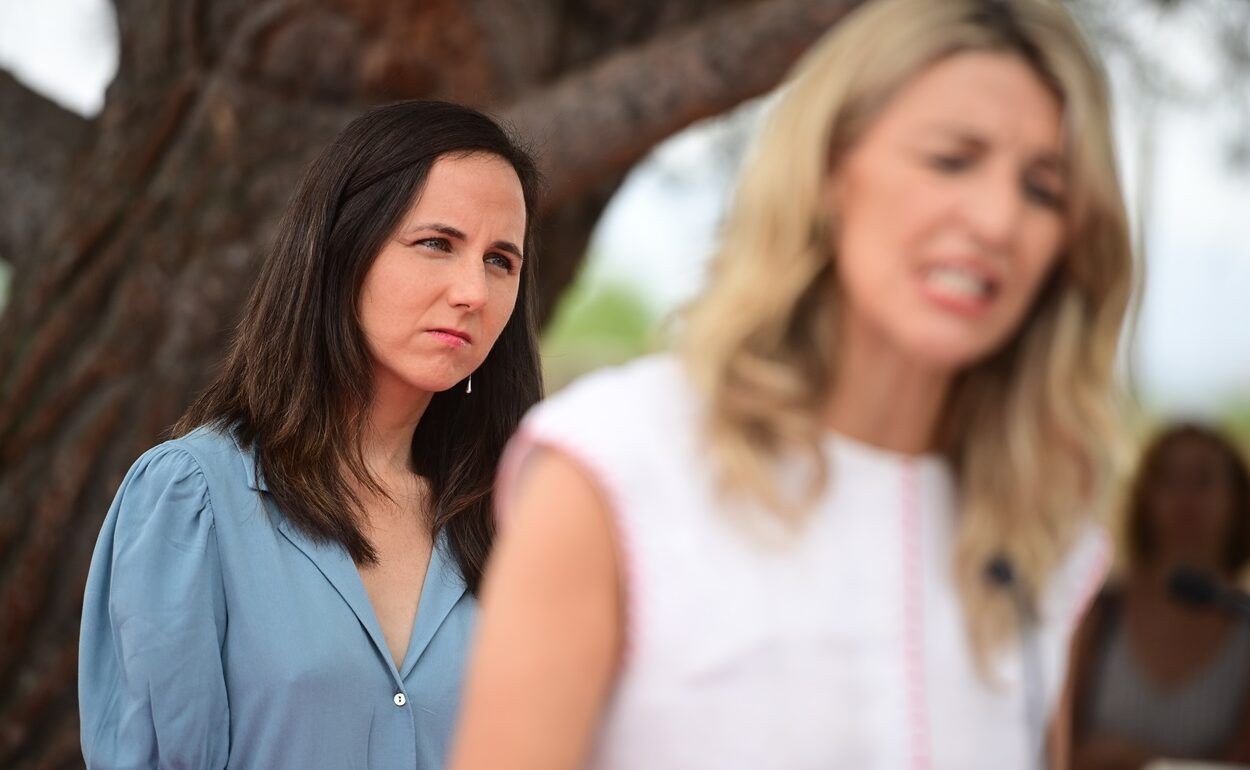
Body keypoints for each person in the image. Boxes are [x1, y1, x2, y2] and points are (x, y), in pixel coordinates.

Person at [450, 0, 1135, 768]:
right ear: (831, 167)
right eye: (952, 159)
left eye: (1043, 189)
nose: (998, 219)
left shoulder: (1048, 534)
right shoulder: (615, 465)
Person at [78, 100, 543, 769]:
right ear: (340, 251)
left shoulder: (512, 520)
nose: (473, 290)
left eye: (501, 259)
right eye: (437, 243)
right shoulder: (193, 499)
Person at [1069, 424, 1250, 769]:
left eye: (1204, 480)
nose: (1185, 498)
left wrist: (1138, 758)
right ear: (1145, 496)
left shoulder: (1243, 620)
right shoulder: (1101, 610)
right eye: (1169, 479)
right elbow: (1060, 743)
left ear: (1236, 499)